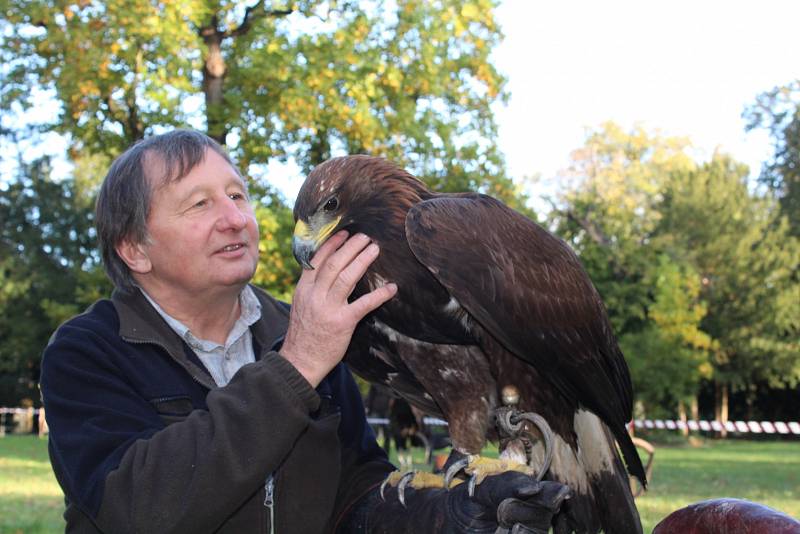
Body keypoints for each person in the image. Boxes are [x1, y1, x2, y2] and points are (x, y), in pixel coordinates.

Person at [40, 130, 570, 533]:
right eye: (200, 204)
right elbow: (136, 509)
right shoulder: (88, 351)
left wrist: (446, 514)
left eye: (237, 196)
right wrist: (296, 365)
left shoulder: (300, 327)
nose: (234, 218)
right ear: (135, 249)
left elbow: (353, 492)